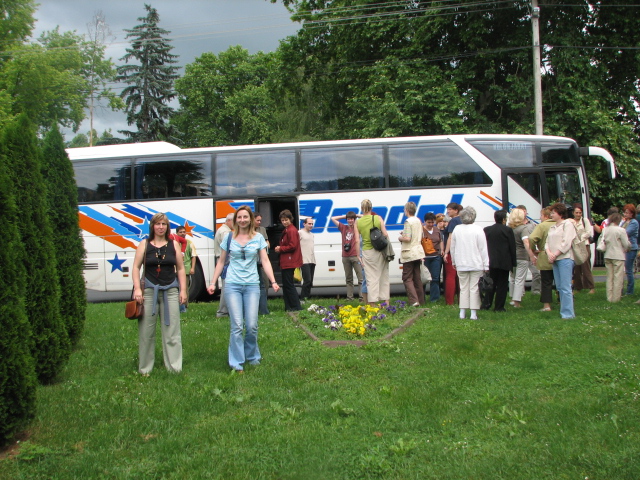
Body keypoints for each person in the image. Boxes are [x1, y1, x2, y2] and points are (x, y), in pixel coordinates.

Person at [206, 206, 280, 372]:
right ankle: (236, 361)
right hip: (232, 285)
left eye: (245, 217)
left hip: (252, 285)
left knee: (252, 325)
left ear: (250, 219)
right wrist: (213, 282)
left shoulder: (258, 238)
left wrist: (273, 281)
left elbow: (265, 261)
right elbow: (221, 261)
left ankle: (252, 356)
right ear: (235, 220)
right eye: (239, 217)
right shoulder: (229, 238)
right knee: (237, 325)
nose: (242, 220)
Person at [132, 213, 187, 375]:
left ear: (167, 227)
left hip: (170, 291)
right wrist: (137, 289)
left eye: (164, 224)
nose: (161, 227)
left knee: (172, 332)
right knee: (146, 333)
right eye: (158, 224)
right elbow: (135, 267)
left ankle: (174, 368)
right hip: (149, 292)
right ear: (152, 226)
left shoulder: (173, 244)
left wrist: (183, 290)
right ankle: (145, 369)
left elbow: (181, 268)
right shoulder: (144, 244)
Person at [450, 206, 489, 320]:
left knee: (463, 288)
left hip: (461, 263)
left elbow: (453, 247)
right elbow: (483, 249)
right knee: (474, 288)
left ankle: (462, 312)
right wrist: (486, 264)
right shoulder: (478, 229)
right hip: (476, 263)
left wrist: (454, 261)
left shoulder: (457, 229)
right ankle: (473, 313)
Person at [354, 199, 390, 306]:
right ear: (371, 208)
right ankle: (386, 303)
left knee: (370, 278)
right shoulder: (378, 218)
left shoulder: (358, 222)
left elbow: (357, 240)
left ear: (361, 208)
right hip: (380, 251)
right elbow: (385, 234)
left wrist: (358, 255)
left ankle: (372, 304)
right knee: (383, 276)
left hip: (367, 252)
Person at [546, 203, 576, 319]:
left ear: (560, 214)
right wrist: (549, 253)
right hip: (555, 259)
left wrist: (555, 254)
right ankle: (564, 310)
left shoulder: (567, 224)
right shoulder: (552, 227)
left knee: (565, 287)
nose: (551, 215)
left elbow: (566, 242)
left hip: (565, 258)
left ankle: (568, 314)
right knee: (559, 287)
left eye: (553, 212)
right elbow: (547, 243)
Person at [482, 209, 516, 312]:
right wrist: (513, 262)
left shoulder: (487, 229)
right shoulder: (508, 230)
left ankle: (486, 304)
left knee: (490, 283)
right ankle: (499, 307)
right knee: (502, 285)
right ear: (504, 219)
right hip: (504, 261)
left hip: (491, 261)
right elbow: (512, 247)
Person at [597, 212, 630, 303]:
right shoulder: (621, 230)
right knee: (618, 278)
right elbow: (626, 244)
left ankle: (609, 297)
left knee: (609, 277)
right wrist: (629, 247)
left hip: (607, 255)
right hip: (618, 256)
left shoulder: (605, 229)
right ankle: (615, 298)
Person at [331, 211, 363, 301]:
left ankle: (362, 297)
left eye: (352, 219)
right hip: (345, 256)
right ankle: (350, 297)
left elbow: (365, 217)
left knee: (361, 278)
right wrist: (345, 216)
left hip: (356, 255)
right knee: (349, 279)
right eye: (348, 219)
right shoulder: (343, 228)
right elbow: (333, 218)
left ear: (354, 219)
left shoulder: (358, 227)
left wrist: (356, 215)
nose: (350, 220)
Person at [398, 201, 425, 306]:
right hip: (418, 251)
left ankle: (414, 301)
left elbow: (407, 238)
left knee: (407, 277)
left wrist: (400, 237)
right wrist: (405, 233)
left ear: (407, 210)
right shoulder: (418, 220)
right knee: (417, 277)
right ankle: (421, 300)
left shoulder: (408, 222)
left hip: (409, 252)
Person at [275, 209, 303, 312]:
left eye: (286, 220)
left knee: (289, 285)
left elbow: (293, 245)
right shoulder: (288, 229)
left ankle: (295, 306)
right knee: (287, 285)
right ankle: (289, 306)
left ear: (290, 219)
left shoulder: (291, 230)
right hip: (287, 261)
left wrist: (280, 248)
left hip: (289, 262)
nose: (284, 222)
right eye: (282, 220)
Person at [529, 207, 556, 311]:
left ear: (546, 216)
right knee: (560, 281)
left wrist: (533, 249)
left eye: (541, 215)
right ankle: (562, 301)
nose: (540, 218)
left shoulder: (542, 226)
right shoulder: (559, 224)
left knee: (546, 282)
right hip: (559, 256)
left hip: (545, 256)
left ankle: (547, 305)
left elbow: (532, 238)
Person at [507, 208, 530, 308]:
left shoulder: (509, 228)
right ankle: (516, 301)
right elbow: (526, 242)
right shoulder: (523, 229)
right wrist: (532, 255)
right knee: (519, 279)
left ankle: (512, 298)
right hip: (522, 256)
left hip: (511, 256)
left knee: (512, 278)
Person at [571, 204, 595, 294]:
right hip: (575, 246)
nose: (578, 214)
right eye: (576, 212)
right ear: (573, 213)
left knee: (586, 267)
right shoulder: (571, 222)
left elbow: (588, 232)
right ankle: (578, 287)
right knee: (576, 268)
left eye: (580, 213)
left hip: (584, 245)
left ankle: (591, 287)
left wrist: (580, 238)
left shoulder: (585, 221)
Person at [517, 205, 541, 295]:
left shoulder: (532, 224)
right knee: (520, 276)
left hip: (531, 251)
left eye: (524, 211)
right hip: (521, 253)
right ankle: (520, 293)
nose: (524, 213)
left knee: (537, 273)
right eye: (521, 211)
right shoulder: (516, 225)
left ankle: (536, 291)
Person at [214, 213, 234, 318]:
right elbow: (228, 247)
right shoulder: (225, 232)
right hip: (225, 261)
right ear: (229, 221)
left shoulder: (222, 230)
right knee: (227, 287)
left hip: (223, 260)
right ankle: (223, 311)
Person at [443, 203, 463, 305]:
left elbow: (450, 238)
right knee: (460, 277)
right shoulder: (463, 220)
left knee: (450, 276)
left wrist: (446, 252)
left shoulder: (454, 221)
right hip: (461, 251)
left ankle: (449, 301)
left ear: (456, 210)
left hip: (452, 252)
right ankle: (462, 299)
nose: (448, 211)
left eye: (450, 209)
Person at [422, 212, 444, 302]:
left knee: (435, 278)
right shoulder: (421, 230)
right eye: (429, 222)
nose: (431, 224)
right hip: (425, 257)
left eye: (432, 222)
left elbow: (440, 241)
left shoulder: (437, 230)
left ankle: (434, 299)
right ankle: (421, 298)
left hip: (436, 256)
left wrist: (442, 250)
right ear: (425, 222)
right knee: (423, 279)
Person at [176, 225, 197, 313]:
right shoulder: (174, 243)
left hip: (186, 269)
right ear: (177, 233)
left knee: (184, 288)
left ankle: (184, 307)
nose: (182, 233)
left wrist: (192, 268)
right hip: (175, 270)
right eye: (180, 232)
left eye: (184, 232)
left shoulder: (189, 243)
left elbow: (193, 256)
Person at [620, 204, 639, 295]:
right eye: (625, 212)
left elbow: (625, 233)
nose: (625, 214)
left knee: (628, 270)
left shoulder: (634, 222)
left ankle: (630, 291)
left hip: (631, 248)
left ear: (632, 213)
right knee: (624, 270)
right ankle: (622, 289)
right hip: (623, 248)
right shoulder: (624, 222)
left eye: (628, 213)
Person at [254, 213, 270, 315]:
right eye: (257, 220)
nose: (259, 222)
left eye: (260, 220)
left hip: (261, 260)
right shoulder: (248, 230)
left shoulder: (262, 230)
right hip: (253, 261)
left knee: (265, 283)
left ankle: (263, 307)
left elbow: (267, 242)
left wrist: (266, 245)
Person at [299, 217, 316, 301]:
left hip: (312, 260)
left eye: (312, 224)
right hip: (304, 260)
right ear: (304, 224)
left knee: (310, 282)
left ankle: (307, 298)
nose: (311, 225)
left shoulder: (312, 234)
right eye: (309, 223)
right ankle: (302, 299)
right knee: (307, 280)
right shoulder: (300, 233)